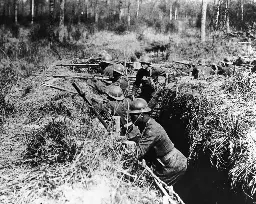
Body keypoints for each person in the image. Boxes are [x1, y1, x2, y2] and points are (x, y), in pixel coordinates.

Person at [124, 98, 187, 186]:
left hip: (173, 164)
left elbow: (138, 153)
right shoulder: (146, 125)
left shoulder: (152, 130)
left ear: (141, 115)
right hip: (167, 161)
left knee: (153, 187)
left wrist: (124, 153)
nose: (130, 118)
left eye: (133, 115)